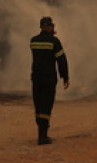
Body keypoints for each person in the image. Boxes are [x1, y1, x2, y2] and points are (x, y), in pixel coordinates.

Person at [30, 16, 70, 145]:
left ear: (41, 27)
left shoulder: (33, 41)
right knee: (46, 106)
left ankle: (40, 132)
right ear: (50, 27)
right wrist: (65, 77)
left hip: (36, 78)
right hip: (49, 79)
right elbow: (61, 60)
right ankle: (43, 136)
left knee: (38, 104)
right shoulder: (54, 41)